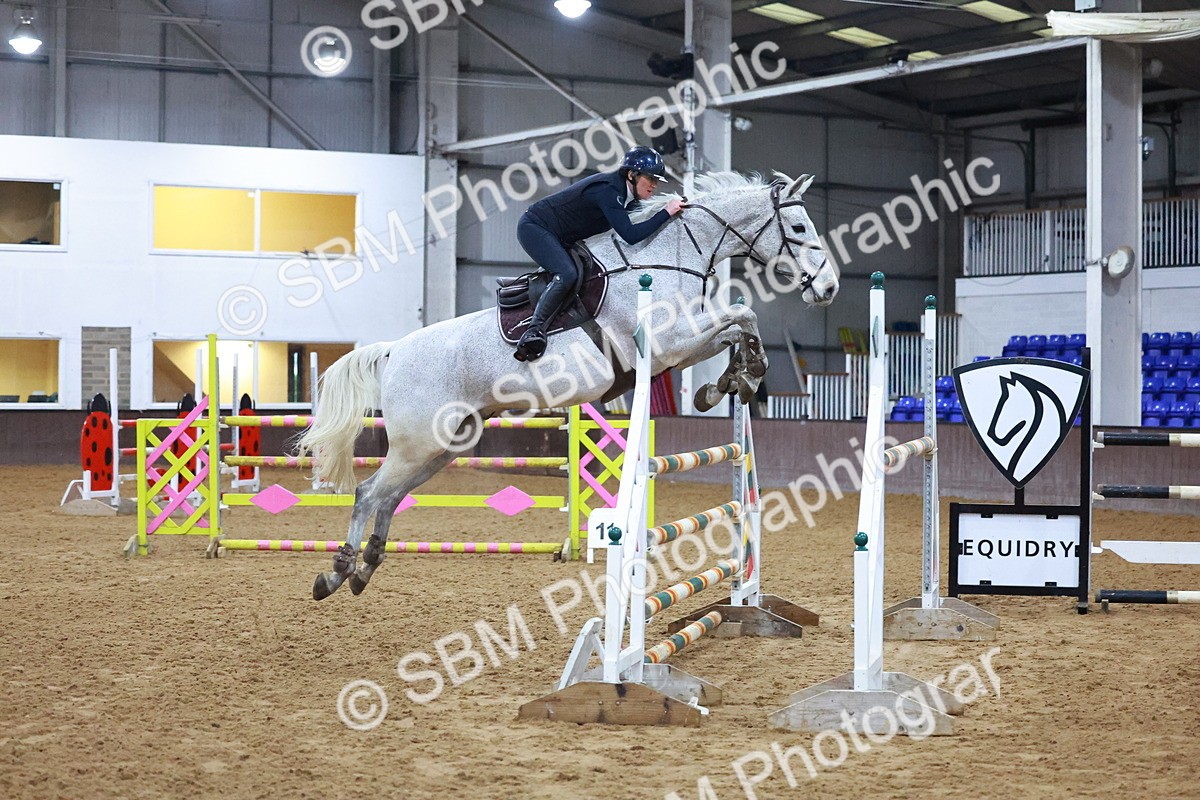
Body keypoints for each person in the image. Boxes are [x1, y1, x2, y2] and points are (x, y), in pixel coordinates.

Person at [513, 145, 685, 362]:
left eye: (656, 180)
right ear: (632, 174)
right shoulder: (609, 191)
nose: (654, 185)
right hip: (535, 227)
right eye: (650, 178)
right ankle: (533, 331)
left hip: (562, 236)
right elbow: (631, 235)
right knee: (567, 274)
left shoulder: (626, 197)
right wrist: (666, 212)